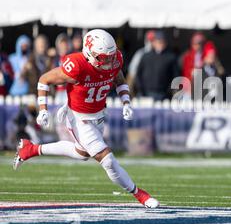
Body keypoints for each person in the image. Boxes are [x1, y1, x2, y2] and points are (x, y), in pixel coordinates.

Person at [13, 29, 159, 208]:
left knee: (81, 153)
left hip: (98, 116)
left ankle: (31, 149)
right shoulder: (77, 65)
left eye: (111, 56)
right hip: (78, 118)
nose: (109, 61)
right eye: (104, 57)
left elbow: (119, 79)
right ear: (90, 54)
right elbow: (44, 80)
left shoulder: (114, 60)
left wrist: (126, 102)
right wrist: (43, 109)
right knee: (108, 159)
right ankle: (140, 194)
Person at [135, 30, 179, 100]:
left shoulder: (171, 57)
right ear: (154, 42)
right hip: (145, 94)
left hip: (163, 95)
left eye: (162, 42)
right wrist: (141, 90)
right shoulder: (146, 56)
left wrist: (168, 92)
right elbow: (138, 74)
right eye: (158, 42)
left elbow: (175, 76)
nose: (160, 44)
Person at [127, 30, 155, 95]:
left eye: (153, 40)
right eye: (150, 41)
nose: (151, 43)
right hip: (143, 89)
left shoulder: (161, 54)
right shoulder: (141, 54)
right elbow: (132, 72)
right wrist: (129, 90)